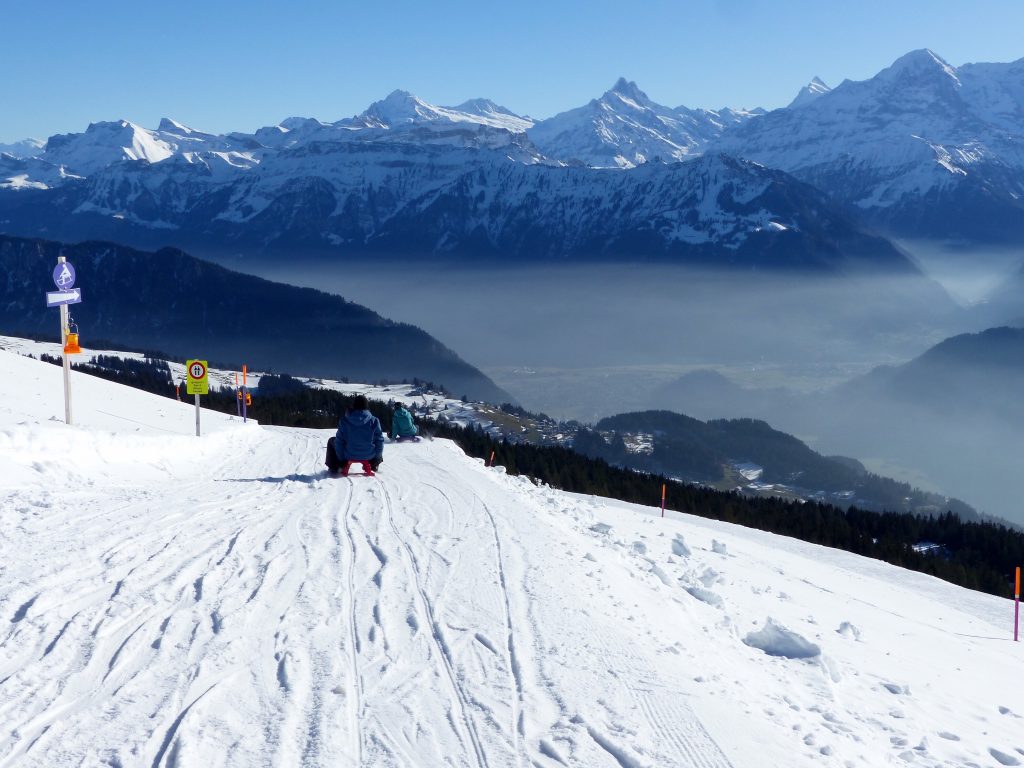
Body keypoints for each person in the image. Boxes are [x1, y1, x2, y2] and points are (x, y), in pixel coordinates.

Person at [326, 395, 383, 475]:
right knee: (378, 441)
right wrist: (376, 459)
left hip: (348, 454)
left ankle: (335, 467)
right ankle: (374, 466)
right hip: (369, 455)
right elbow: (379, 441)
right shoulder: (374, 421)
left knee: (332, 440)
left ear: (354, 405)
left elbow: (339, 441)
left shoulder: (344, 420)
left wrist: (342, 459)